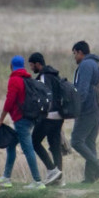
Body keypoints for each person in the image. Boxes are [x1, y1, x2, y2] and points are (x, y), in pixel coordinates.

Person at [0, 55, 45, 189]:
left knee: (28, 149)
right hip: (30, 118)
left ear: (11, 65)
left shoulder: (14, 80)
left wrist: (1, 119)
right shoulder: (27, 78)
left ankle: (38, 181)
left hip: (21, 119)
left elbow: (9, 101)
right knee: (11, 144)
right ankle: (6, 178)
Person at [70, 41, 99, 183]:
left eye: (74, 54)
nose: (74, 57)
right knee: (89, 142)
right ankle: (89, 178)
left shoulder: (86, 65)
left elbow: (82, 90)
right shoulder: (95, 63)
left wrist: (76, 109)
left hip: (89, 109)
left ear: (80, 52)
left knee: (76, 141)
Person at [28, 52, 65, 185]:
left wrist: (40, 113)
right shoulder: (55, 75)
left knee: (34, 141)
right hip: (59, 116)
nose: (31, 68)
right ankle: (59, 179)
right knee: (55, 145)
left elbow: (45, 95)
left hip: (49, 116)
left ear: (38, 64)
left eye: (32, 65)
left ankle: (51, 170)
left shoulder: (44, 76)